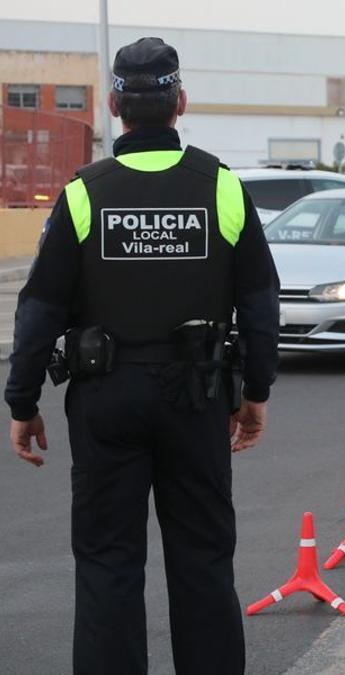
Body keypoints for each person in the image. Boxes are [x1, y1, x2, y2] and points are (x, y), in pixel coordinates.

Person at [5, 37, 280, 674]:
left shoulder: (83, 194)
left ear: (115, 108)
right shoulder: (222, 187)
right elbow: (261, 304)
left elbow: (40, 309)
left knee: (107, 562)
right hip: (198, 395)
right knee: (204, 560)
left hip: (106, 399)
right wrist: (256, 394)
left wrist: (22, 401)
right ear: (180, 102)